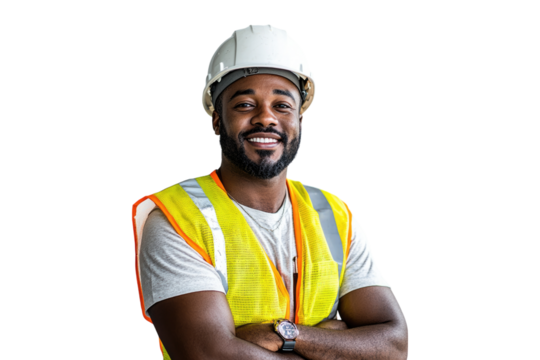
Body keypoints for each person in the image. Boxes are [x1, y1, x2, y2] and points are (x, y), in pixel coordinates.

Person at [132, 23, 408, 360]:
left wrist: (285, 336)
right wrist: (335, 336)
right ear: (218, 120)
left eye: (282, 106)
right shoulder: (178, 221)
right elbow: (210, 356)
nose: (266, 118)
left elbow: (394, 345)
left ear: (299, 121)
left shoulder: (333, 214)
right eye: (245, 105)